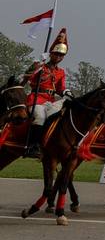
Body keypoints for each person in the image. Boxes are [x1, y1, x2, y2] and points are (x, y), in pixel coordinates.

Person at [23, 28, 68, 156]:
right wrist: (37, 63)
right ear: (51, 54)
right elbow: (27, 76)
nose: (58, 57)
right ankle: (32, 146)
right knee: (40, 117)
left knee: (60, 116)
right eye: (56, 54)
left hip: (51, 101)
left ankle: (50, 144)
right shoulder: (41, 66)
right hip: (36, 99)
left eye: (61, 55)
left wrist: (67, 92)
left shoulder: (61, 72)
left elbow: (60, 88)